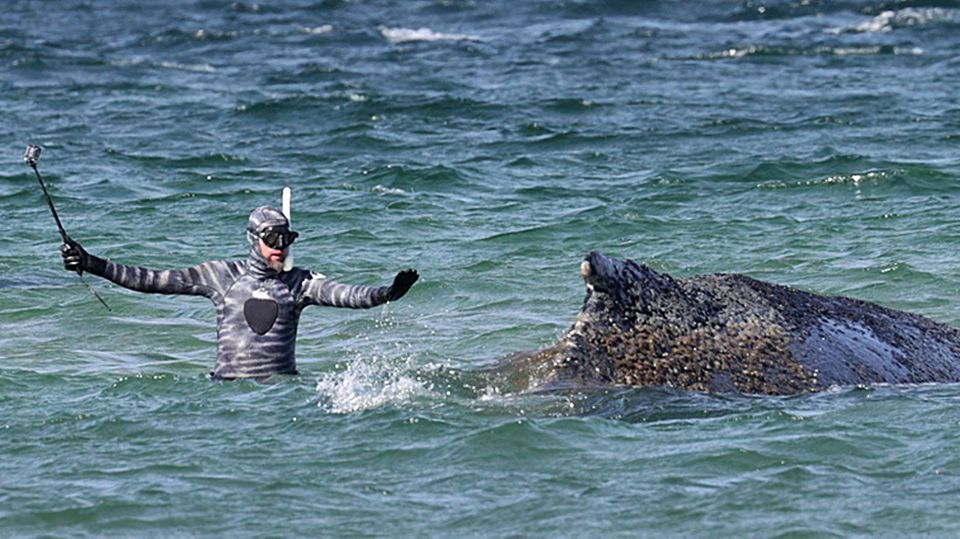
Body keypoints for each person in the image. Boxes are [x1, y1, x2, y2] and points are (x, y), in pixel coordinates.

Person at [59, 206, 419, 379]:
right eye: (271, 239)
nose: (279, 246)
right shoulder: (221, 276)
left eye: (286, 239)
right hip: (226, 392)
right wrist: (92, 263)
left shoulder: (299, 284)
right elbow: (152, 280)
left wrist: (386, 293)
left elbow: (347, 294)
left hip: (280, 395)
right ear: (253, 241)